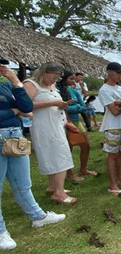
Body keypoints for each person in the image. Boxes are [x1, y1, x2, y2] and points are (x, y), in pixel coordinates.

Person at [0, 62, 66, 250]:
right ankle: (1, 231)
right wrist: (13, 111)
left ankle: (37, 216)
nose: (3, 69)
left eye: (5, 67)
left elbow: (27, 105)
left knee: (23, 182)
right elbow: (19, 109)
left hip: (15, 136)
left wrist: (15, 82)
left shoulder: (7, 84)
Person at [23, 63, 78, 204]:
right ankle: (59, 193)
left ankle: (53, 186)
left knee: (54, 154)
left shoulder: (51, 86)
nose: (55, 80)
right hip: (44, 126)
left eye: (58, 78)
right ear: (43, 73)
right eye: (53, 77)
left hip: (56, 123)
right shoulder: (31, 85)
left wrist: (65, 117)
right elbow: (24, 105)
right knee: (60, 155)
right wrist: (52, 103)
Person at [98, 62, 121, 195]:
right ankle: (112, 184)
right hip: (112, 125)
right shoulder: (104, 90)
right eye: (118, 73)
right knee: (112, 155)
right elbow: (114, 111)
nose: (120, 76)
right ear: (109, 72)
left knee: (120, 153)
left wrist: (119, 103)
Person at [58, 70, 97, 180]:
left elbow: (83, 106)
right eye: (71, 79)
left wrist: (72, 108)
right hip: (64, 121)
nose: (73, 81)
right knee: (68, 148)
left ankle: (83, 169)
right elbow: (60, 107)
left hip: (75, 120)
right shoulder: (57, 90)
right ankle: (69, 174)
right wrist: (74, 107)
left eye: (74, 79)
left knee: (86, 145)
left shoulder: (73, 90)